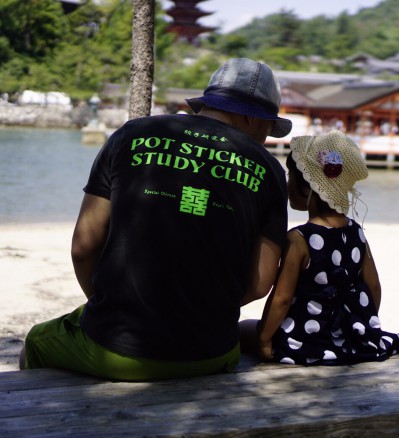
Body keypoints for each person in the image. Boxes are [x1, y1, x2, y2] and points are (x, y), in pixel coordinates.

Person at [20, 58, 291, 381]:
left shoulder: (131, 135)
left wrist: (113, 306)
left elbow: (83, 246)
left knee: (35, 343)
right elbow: (260, 283)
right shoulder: (271, 171)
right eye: (267, 127)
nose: (266, 138)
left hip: (116, 347)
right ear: (250, 116)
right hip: (212, 353)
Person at [246, 130, 399, 365]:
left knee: (244, 329)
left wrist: (264, 341)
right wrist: (361, 328)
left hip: (304, 340)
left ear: (307, 187)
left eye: (291, 175)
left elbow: (281, 298)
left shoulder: (299, 239)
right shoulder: (356, 233)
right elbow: (373, 286)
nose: (287, 182)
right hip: (346, 336)